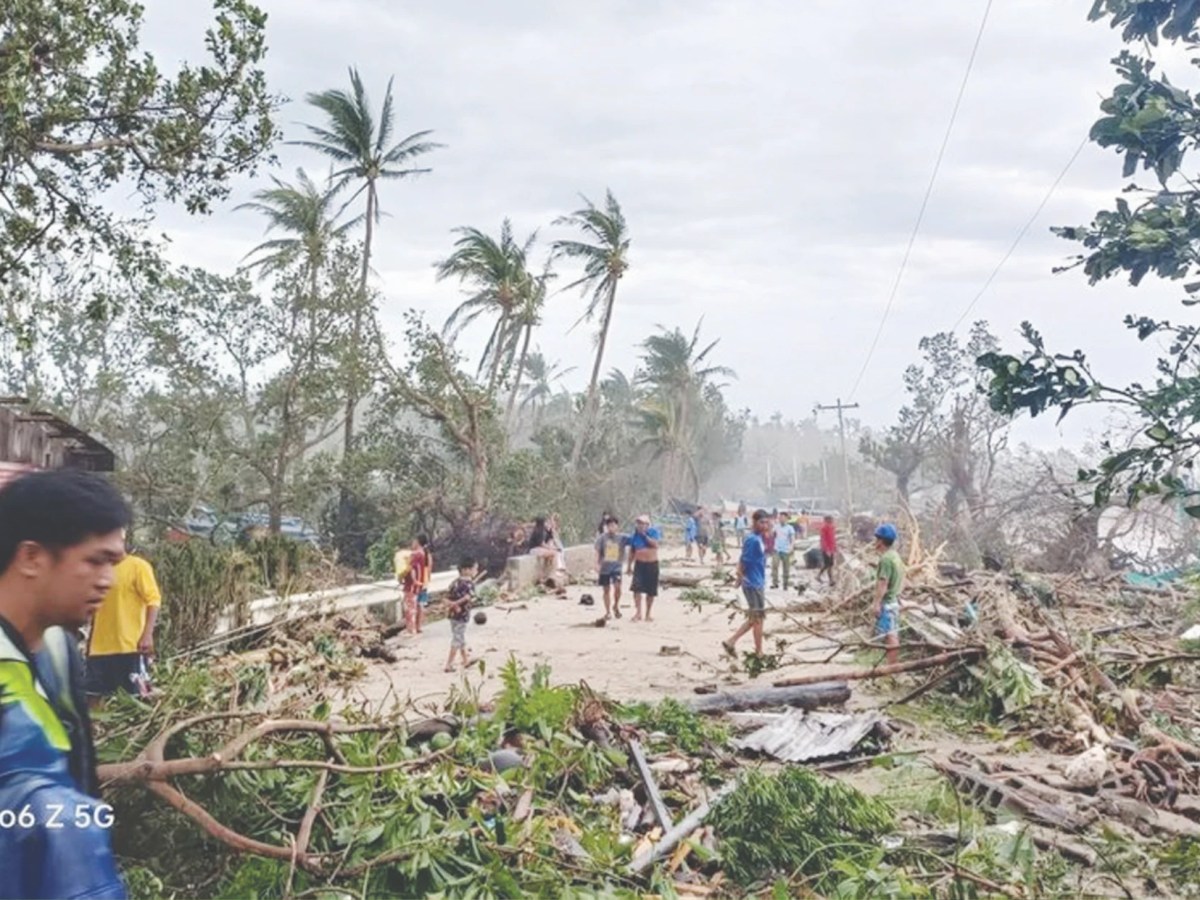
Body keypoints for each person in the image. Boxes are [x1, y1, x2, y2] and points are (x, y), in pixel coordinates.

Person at [0, 470, 128, 899]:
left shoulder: (59, 649)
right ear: (31, 557)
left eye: (113, 564)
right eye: (94, 561)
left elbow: (79, 775)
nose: (108, 580)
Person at [85, 547, 161, 700]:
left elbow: (153, 601)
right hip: (99, 649)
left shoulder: (138, 567)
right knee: (94, 697)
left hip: (129, 647)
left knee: (135, 699)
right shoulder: (97, 572)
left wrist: (147, 634)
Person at [723, 509, 771, 657]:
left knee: (756, 617)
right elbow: (744, 560)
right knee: (757, 618)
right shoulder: (753, 540)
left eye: (766, 522)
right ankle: (758, 651)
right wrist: (740, 577)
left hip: (758, 581)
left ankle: (732, 641)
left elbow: (744, 558)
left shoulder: (759, 538)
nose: (764, 525)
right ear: (754, 522)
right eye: (761, 522)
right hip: (752, 583)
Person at [872, 524, 905, 665]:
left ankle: (892, 667)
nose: (875, 542)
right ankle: (891, 665)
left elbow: (883, 583)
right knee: (891, 633)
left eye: (876, 539)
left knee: (890, 635)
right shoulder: (895, 556)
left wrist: (876, 603)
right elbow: (903, 577)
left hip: (888, 602)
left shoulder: (885, 559)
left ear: (881, 541)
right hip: (894, 600)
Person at [444, 558, 477, 672]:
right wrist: (457, 603)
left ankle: (465, 660)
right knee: (457, 638)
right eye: (474, 569)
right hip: (462, 615)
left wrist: (452, 605)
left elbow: (445, 598)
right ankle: (449, 664)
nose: (475, 571)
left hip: (452, 615)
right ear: (466, 570)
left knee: (460, 637)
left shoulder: (454, 583)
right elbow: (468, 597)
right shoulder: (469, 584)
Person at [626, 514, 661, 622]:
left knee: (651, 591)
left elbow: (655, 544)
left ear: (648, 524)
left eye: (643, 523)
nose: (640, 526)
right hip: (639, 564)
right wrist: (629, 566)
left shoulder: (653, 532)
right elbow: (632, 551)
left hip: (652, 564)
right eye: (639, 523)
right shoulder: (634, 536)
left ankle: (648, 613)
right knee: (637, 589)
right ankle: (638, 612)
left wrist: (644, 535)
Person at [595, 516, 625, 619]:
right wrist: (597, 564)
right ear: (607, 527)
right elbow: (597, 551)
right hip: (605, 568)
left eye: (613, 525)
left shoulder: (622, 538)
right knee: (606, 590)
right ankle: (607, 611)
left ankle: (616, 605)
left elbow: (634, 541)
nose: (611, 527)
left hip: (616, 567)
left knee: (618, 587)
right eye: (609, 525)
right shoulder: (602, 538)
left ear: (617, 526)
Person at [403, 535, 430, 636]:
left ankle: (411, 630)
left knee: (409, 607)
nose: (412, 543)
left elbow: (412, 569)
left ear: (417, 541)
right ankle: (416, 628)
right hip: (419, 585)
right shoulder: (423, 553)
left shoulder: (415, 554)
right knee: (417, 606)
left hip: (411, 585)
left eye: (413, 541)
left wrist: (413, 580)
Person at [770, 511, 795, 590]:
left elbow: (792, 539)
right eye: (780, 518)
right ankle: (775, 583)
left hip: (786, 550)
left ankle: (785, 584)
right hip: (776, 549)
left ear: (786, 519)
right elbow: (772, 536)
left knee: (786, 568)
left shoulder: (790, 528)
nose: (781, 519)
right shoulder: (776, 527)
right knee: (774, 565)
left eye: (783, 518)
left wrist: (791, 547)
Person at [527, 516, 557, 582]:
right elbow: (541, 544)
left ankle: (546, 575)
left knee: (550, 556)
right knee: (552, 553)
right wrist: (550, 548)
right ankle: (543, 577)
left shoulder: (544, 531)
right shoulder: (538, 531)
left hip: (539, 549)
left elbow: (550, 539)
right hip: (534, 550)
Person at [818, 515, 838, 586]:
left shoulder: (832, 527)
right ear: (827, 520)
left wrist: (835, 548)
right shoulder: (824, 528)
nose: (832, 521)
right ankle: (830, 580)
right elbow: (823, 540)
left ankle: (823, 577)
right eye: (831, 519)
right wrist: (827, 550)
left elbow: (833, 539)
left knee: (830, 564)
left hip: (831, 548)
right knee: (828, 564)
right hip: (826, 549)